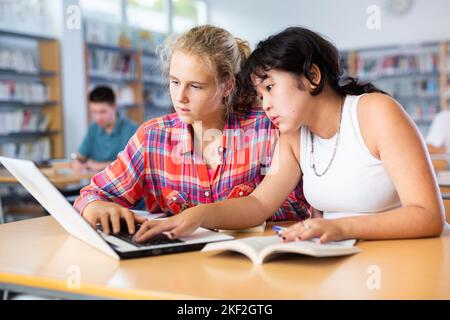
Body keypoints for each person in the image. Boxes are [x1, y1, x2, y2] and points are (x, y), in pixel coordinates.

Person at [133, 26, 445, 243]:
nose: (264, 104)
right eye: (259, 93)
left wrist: (338, 227)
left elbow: (428, 216)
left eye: (270, 88)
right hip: (342, 256)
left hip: (407, 257)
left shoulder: (376, 112)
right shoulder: (295, 135)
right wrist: (200, 215)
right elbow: (258, 204)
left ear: (312, 76)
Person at [74, 25, 310, 236]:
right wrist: (98, 207)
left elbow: (292, 207)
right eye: (174, 82)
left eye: (195, 86)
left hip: (261, 264)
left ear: (227, 85)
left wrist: (205, 215)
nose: (180, 97)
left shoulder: (268, 128)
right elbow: (90, 196)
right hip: (181, 269)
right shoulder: (152, 137)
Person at [71, 86, 138, 173]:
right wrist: (77, 161)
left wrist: (100, 166)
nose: (98, 117)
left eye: (103, 112)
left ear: (114, 107)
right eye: (94, 112)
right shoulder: (93, 128)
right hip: (95, 183)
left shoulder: (131, 130)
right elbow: (81, 157)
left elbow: (133, 164)